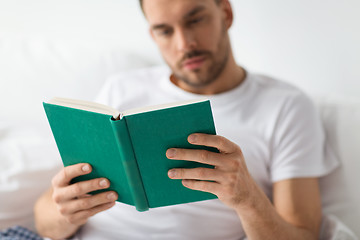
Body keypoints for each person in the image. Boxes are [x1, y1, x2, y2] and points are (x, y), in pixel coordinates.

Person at [34, 0, 339, 239]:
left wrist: (248, 199)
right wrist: (64, 212)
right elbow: (44, 221)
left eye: (195, 20)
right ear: (153, 35)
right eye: (165, 30)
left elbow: (303, 236)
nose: (184, 43)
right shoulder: (120, 88)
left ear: (226, 13)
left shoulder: (286, 107)